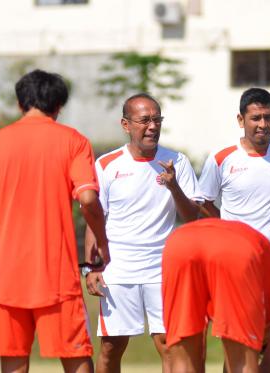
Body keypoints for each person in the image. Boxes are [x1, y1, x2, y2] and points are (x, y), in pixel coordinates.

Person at [0, 70, 109, 373]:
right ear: (58, 105)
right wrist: (103, 242)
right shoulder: (74, 141)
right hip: (55, 271)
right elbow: (86, 199)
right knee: (75, 354)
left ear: (20, 103)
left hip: (7, 272)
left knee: (13, 359)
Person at [83, 93, 201, 373]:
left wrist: (174, 187)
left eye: (157, 119)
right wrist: (93, 266)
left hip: (163, 268)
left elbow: (192, 216)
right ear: (126, 124)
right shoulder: (107, 164)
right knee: (112, 346)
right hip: (118, 267)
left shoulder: (177, 162)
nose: (152, 126)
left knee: (168, 343)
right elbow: (94, 217)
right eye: (144, 120)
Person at [198, 87, 270, 372]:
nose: (262, 124)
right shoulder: (222, 159)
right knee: (236, 342)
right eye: (256, 118)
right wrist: (229, 231)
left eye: (268, 117)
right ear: (240, 120)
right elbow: (204, 201)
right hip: (236, 265)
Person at [162, 218, 270, 373]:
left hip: (180, 242)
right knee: (242, 363)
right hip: (235, 249)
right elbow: (269, 365)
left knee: (184, 361)